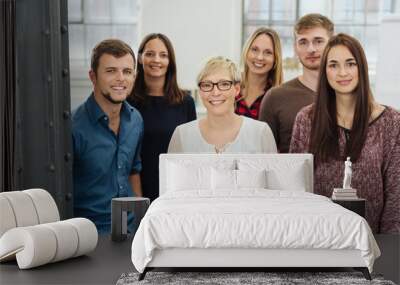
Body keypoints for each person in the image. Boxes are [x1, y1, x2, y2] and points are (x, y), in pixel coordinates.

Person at [290, 33, 400, 234]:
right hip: (317, 238)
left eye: (350, 63)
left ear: (362, 68)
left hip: (374, 242)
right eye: (333, 65)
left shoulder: (391, 121)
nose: (342, 72)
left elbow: (396, 195)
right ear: (325, 72)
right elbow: (297, 189)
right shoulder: (306, 119)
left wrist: (389, 248)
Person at [72, 39, 143, 234]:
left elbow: (133, 171)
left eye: (127, 71)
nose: (121, 78)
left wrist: (140, 224)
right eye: (111, 71)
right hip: (89, 236)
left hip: (130, 232)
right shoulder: (72, 127)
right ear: (93, 76)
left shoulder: (135, 120)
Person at [128, 33, 196, 202]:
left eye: (163, 55)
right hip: (136, 186)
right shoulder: (128, 102)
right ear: (141, 58)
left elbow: (191, 152)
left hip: (175, 187)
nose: (156, 60)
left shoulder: (185, 102)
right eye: (150, 54)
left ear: (170, 61)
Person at [168, 56, 277, 153]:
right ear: (200, 91)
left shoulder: (260, 133)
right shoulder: (182, 136)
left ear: (237, 89)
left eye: (224, 84)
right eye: (207, 85)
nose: (215, 92)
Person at [259, 13, 334, 153]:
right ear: (295, 48)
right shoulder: (275, 97)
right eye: (303, 42)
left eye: (318, 41)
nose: (311, 49)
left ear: (331, 44)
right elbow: (263, 158)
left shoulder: (347, 95)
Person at [235, 27, 283, 120]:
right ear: (246, 51)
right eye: (254, 49)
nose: (260, 57)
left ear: (275, 59)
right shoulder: (229, 85)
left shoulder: (279, 97)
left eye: (268, 52)